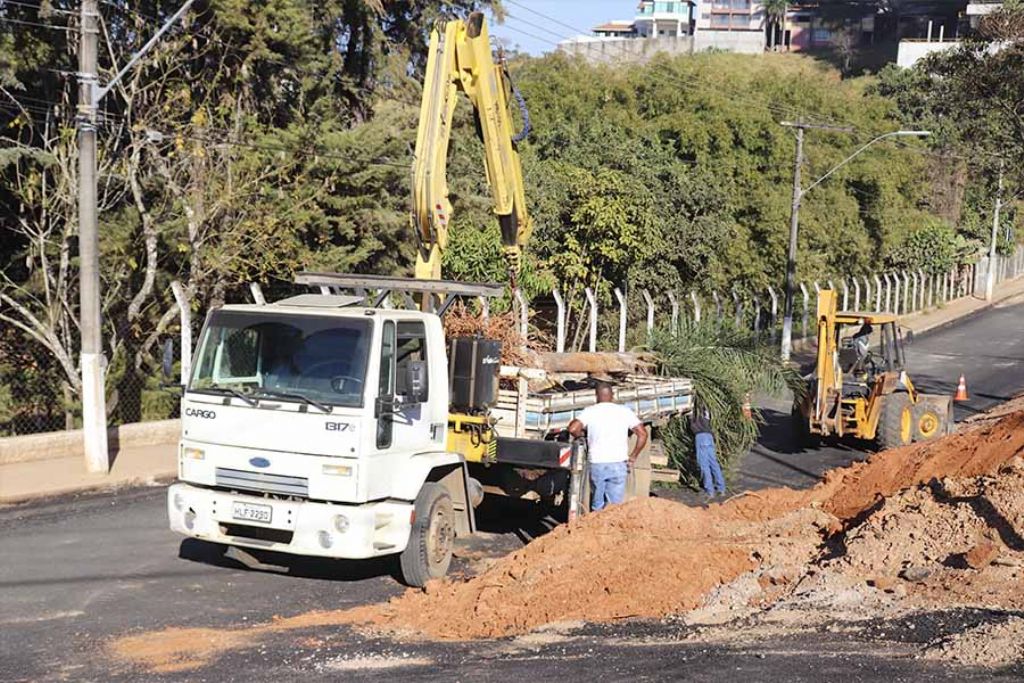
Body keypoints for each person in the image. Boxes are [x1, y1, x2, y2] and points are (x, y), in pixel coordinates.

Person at [568, 383, 648, 512]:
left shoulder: (590, 411)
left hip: (597, 462)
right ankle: (610, 529)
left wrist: (583, 435)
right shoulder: (624, 411)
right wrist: (633, 456)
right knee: (614, 507)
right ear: (613, 396)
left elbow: (572, 428)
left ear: (596, 396)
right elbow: (642, 434)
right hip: (618, 462)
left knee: (597, 503)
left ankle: (595, 527)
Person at [690, 401, 726, 499]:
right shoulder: (706, 407)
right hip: (709, 436)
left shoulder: (694, 408)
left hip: (700, 437)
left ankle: (709, 491)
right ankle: (721, 488)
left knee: (704, 465)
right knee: (713, 463)